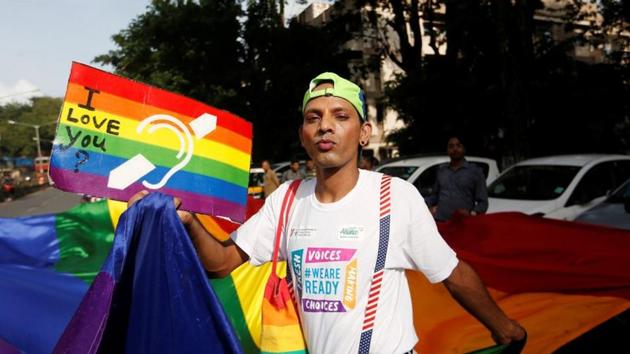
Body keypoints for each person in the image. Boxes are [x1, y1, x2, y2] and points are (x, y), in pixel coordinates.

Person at [130, 72, 525, 353]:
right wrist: (186, 220)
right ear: (303, 135)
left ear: (364, 132)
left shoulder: (395, 197)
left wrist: (505, 329)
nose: (325, 127)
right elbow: (220, 263)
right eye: (313, 117)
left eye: (341, 116)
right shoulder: (286, 199)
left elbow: (452, 275)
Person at [425, 136, 489, 222]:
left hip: (463, 224)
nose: (455, 149)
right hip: (440, 222)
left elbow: (483, 202)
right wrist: (424, 204)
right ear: (447, 150)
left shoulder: (475, 172)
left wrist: (472, 213)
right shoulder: (441, 171)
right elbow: (435, 196)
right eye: (451, 146)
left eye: (458, 146)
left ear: (464, 149)